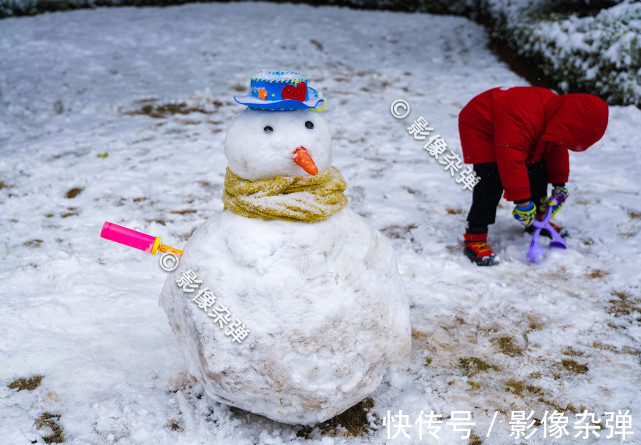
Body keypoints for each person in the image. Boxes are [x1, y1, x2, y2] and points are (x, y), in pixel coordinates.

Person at [458, 86, 609, 266]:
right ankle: (475, 235)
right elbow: (510, 158)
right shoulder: (522, 117)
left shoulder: (558, 114)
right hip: (483, 124)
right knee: (491, 177)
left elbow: (556, 145)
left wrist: (559, 185)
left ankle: (538, 219)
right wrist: (522, 202)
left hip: (514, 128)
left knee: (537, 167)